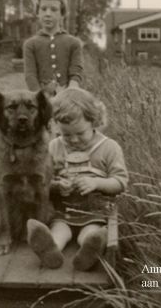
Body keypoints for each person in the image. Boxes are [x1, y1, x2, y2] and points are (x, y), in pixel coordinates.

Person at [26, 88, 128, 271]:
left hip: (94, 213)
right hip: (63, 212)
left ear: (94, 122)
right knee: (59, 231)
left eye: (80, 134)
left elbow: (120, 182)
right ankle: (50, 252)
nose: (73, 140)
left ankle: (89, 251)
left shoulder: (109, 148)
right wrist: (56, 186)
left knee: (89, 233)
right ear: (56, 126)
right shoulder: (54, 147)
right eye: (66, 135)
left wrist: (97, 183)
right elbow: (42, 181)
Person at [23, 0, 83, 96]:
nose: (48, 14)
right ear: (37, 12)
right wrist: (40, 98)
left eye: (54, 9)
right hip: (41, 99)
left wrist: (70, 91)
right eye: (43, 9)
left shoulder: (74, 43)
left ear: (62, 13)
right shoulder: (30, 44)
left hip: (67, 96)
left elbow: (76, 71)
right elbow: (30, 75)